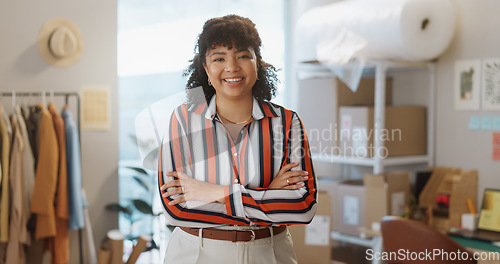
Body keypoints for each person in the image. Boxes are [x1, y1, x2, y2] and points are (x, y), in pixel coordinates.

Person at [158, 14, 317, 264]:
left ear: (257, 62)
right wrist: (267, 195)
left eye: (243, 55)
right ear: (206, 69)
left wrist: (214, 192)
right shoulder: (182, 120)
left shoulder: (286, 121)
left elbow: (302, 206)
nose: (231, 67)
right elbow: (177, 210)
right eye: (219, 58)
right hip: (196, 254)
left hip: (269, 253)